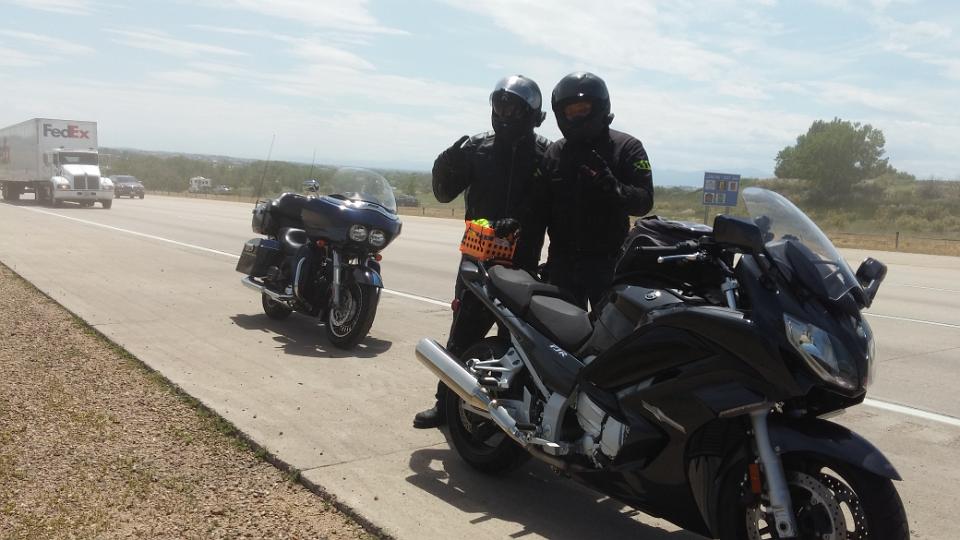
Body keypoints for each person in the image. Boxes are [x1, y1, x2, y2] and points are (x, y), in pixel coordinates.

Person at [413, 75, 550, 429]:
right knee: (462, 334)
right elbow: (444, 193)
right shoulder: (476, 147)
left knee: (515, 344)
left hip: (522, 264)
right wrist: (444, 163)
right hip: (477, 260)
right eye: (498, 106)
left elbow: (558, 207)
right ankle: (444, 405)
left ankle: (505, 415)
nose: (503, 114)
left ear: (531, 113)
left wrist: (526, 224)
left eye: (512, 108)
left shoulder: (548, 154)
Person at [516, 71, 654, 310]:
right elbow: (537, 215)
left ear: (600, 107)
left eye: (583, 109)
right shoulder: (555, 153)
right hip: (562, 265)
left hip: (609, 266)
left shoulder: (627, 147)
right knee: (557, 330)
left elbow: (644, 201)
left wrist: (615, 188)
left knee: (610, 330)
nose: (576, 116)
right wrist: (525, 265)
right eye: (570, 111)